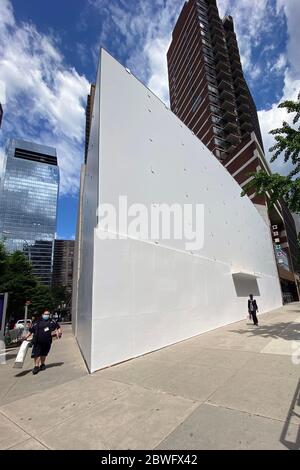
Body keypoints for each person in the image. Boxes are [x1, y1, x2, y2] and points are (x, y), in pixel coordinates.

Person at [23, 309, 62, 375]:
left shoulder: (52, 322)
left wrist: (59, 332)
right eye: (45, 314)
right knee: (36, 354)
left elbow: (58, 327)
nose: (46, 315)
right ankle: (36, 366)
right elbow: (31, 331)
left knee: (44, 354)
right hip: (37, 341)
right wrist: (25, 337)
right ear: (42, 315)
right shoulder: (37, 322)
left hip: (47, 341)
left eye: (48, 314)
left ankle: (42, 364)